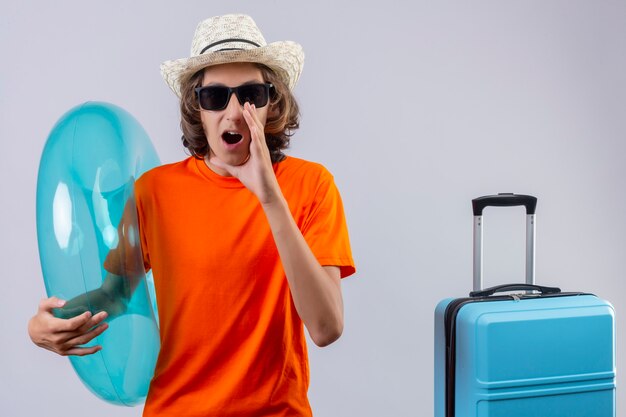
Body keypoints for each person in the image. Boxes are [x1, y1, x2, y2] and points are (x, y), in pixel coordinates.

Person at [28, 13, 355, 416]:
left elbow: (326, 328)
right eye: (215, 97)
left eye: (251, 93)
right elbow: (116, 296)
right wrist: (48, 324)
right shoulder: (154, 191)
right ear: (196, 107)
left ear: (273, 102)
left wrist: (271, 198)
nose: (235, 113)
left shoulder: (311, 184)